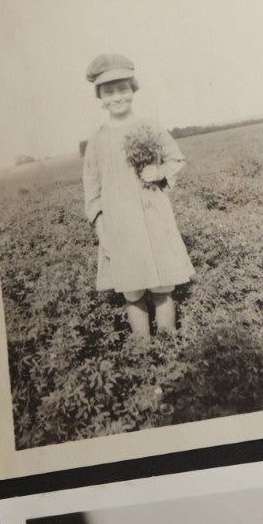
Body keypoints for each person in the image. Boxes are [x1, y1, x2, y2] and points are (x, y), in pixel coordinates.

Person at [81, 53, 195, 341]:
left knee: (161, 288)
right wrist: (101, 226)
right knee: (133, 292)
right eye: (109, 92)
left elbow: (176, 159)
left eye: (122, 89)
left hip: (153, 216)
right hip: (121, 226)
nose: (117, 97)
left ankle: (168, 351)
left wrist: (159, 172)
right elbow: (92, 189)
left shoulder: (150, 127)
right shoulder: (97, 140)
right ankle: (143, 355)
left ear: (133, 89)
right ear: (100, 97)